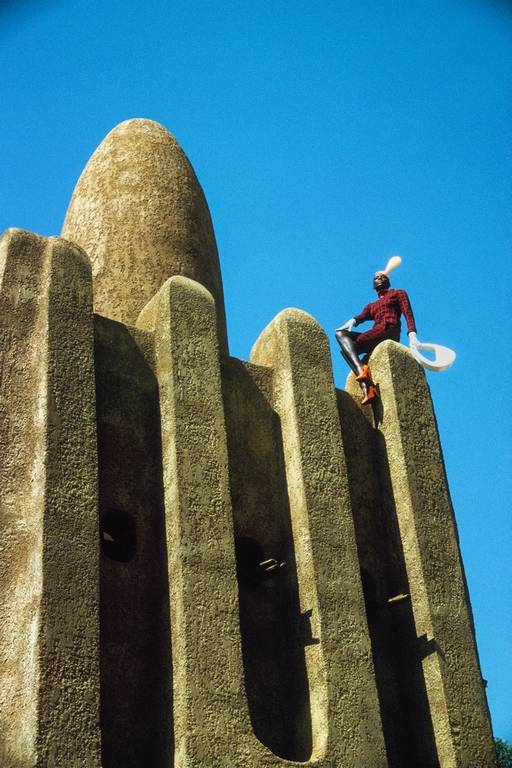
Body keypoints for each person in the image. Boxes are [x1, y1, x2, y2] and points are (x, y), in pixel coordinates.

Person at [335, 256, 420, 404]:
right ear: (373, 284)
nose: (378, 279)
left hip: (389, 330)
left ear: (388, 280)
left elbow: (407, 313)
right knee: (343, 342)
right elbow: (361, 316)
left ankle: (362, 371)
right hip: (376, 333)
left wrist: (412, 333)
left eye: (382, 277)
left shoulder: (397, 293)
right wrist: (353, 321)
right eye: (376, 278)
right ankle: (368, 388)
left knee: (349, 350)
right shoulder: (371, 306)